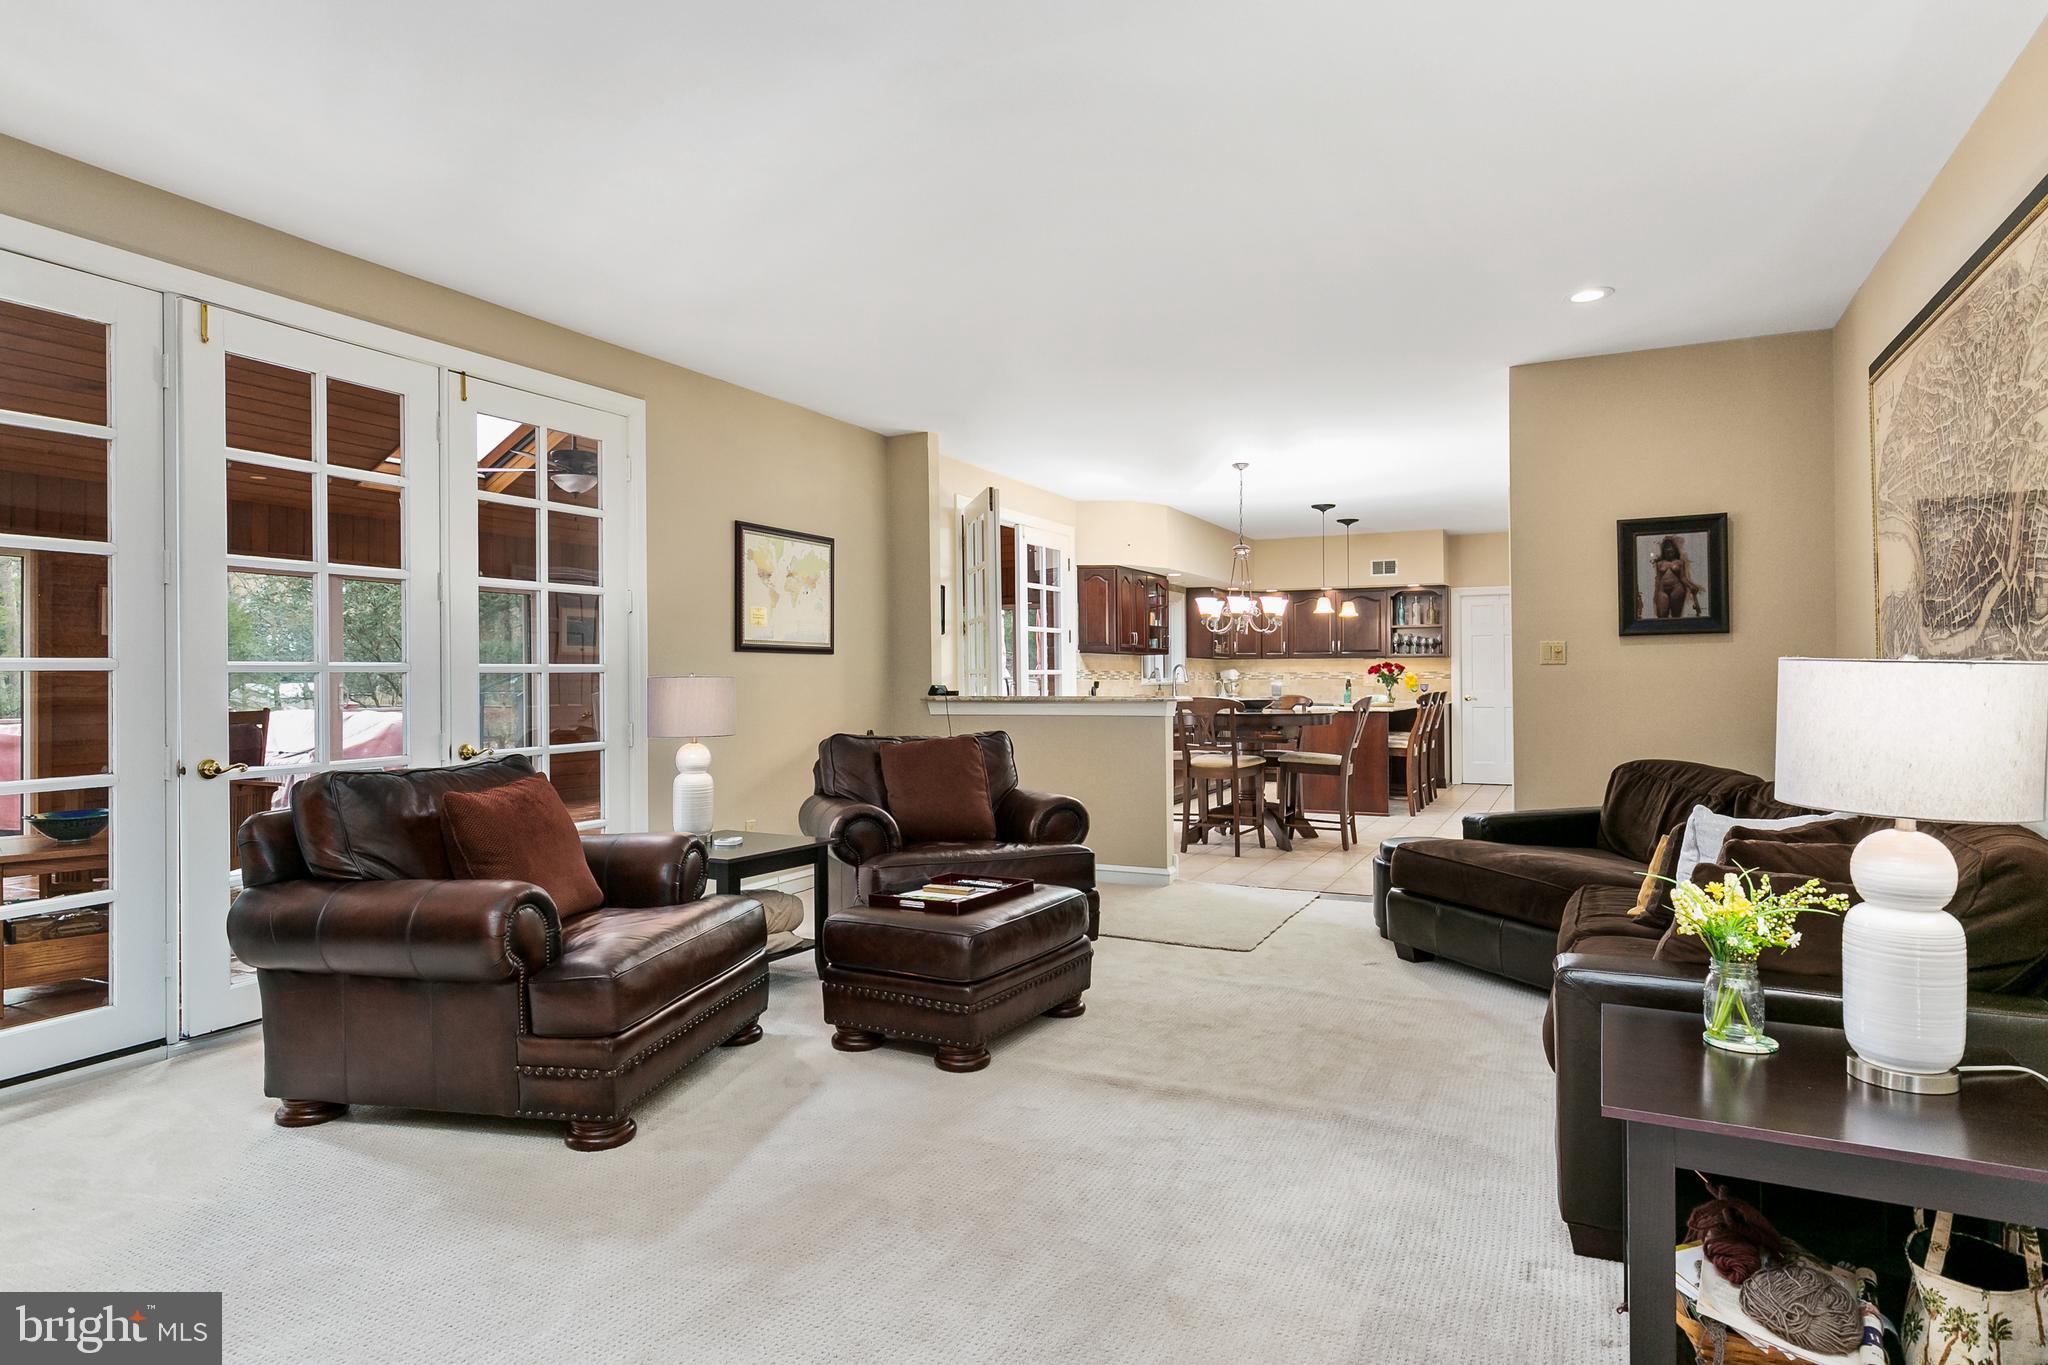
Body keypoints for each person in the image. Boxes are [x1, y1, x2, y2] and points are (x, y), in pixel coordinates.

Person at [1650, 535, 1703, 619]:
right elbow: (1658, 580)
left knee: (1676, 616)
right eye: (1667, 549)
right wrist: (1656, 595)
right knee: (1662, 616)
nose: (1669, 551)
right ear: (1664, 550)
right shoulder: (1660, 563)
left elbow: (1683, 577)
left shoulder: (1679, 562)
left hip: (1677, 589)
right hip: (1662, 590)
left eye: (1671, 548)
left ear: (1674, 550)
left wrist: (1691, 586)